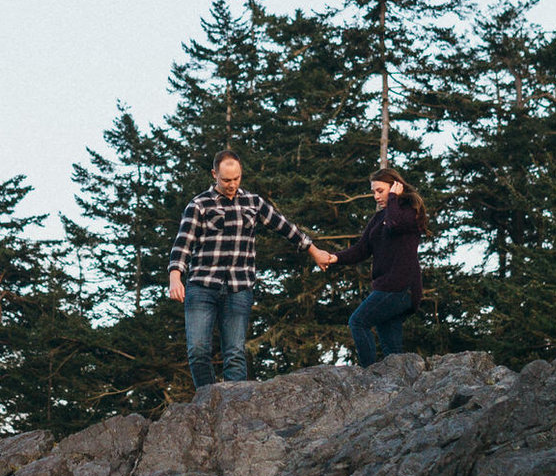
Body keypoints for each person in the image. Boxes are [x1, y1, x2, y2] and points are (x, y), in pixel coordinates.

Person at [167, 151, 326, 390]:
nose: (232, 185)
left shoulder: (253, 202)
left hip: (239, 288)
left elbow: (284, 227)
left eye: (236, 179)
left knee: (235, 353)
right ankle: (206, 400)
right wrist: (175, 277)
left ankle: (235, 408)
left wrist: (313, 250)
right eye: (226, 180)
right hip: (201, 286)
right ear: (214, 175)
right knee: (198, 350)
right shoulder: (199, 204)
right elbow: (183, 243)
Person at [308, 166, 427, 367]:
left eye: (379, 191)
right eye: (373, 191)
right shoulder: (379, 218)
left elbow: (395, 224)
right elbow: (362, 249)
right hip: (387, 287)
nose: (375, 196)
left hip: (400, 287)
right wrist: (334, 258)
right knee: (393, 352)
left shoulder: (408, 212)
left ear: (395, 187)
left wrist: (393, 200)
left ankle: (366, 376)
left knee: (358, 322)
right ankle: (399, 388)